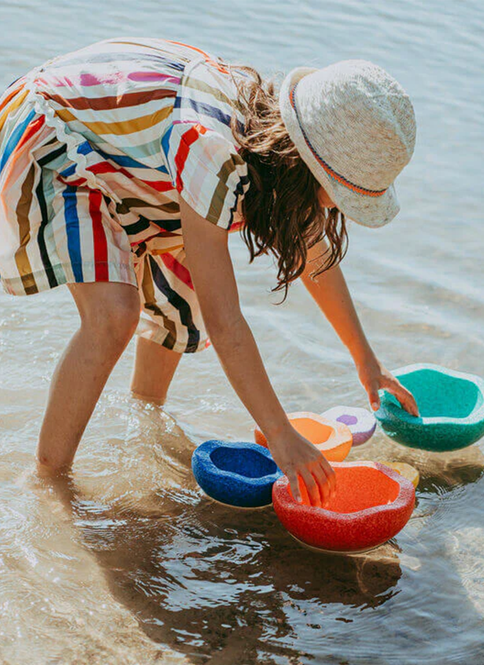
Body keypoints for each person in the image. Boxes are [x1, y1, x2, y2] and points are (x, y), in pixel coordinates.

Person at [0, 37, 419, 506]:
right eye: (341, 196)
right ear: (308, 163)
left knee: (184, 293)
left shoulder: (273, 153)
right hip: (61, 137)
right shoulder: (216, 153)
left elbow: (313, 251)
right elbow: (227, 323)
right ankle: (46, 479)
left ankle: (146, 418)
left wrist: (366, 359)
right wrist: (280, 435)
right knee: (113, 314)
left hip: (135, 157)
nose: (336, 208)